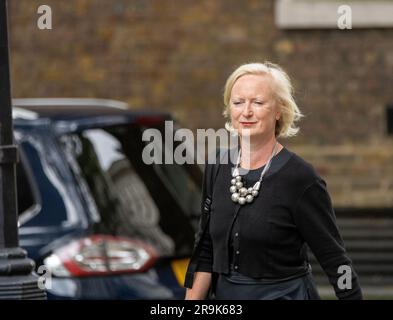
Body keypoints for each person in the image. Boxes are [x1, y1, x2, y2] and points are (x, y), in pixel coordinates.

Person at [184, 62, 362, 300]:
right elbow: (205, 248)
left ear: (279, 110)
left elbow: (336, 260)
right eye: (238, 102)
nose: (246, 112)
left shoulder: (300, 178)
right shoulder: (217, 166)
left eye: (257, 103)